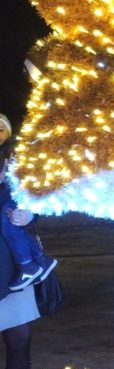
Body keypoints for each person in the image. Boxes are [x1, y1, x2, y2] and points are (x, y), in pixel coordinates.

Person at [0, 114, 42, 369]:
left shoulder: (12, 164)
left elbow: (32, 201)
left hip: (11, 268)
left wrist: (29, 215)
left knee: (20, 337)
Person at [0, 114, 57, 292]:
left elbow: (35, 193)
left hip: (10, 261)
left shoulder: (18, 158)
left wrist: (29, 215)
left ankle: (34, 264)